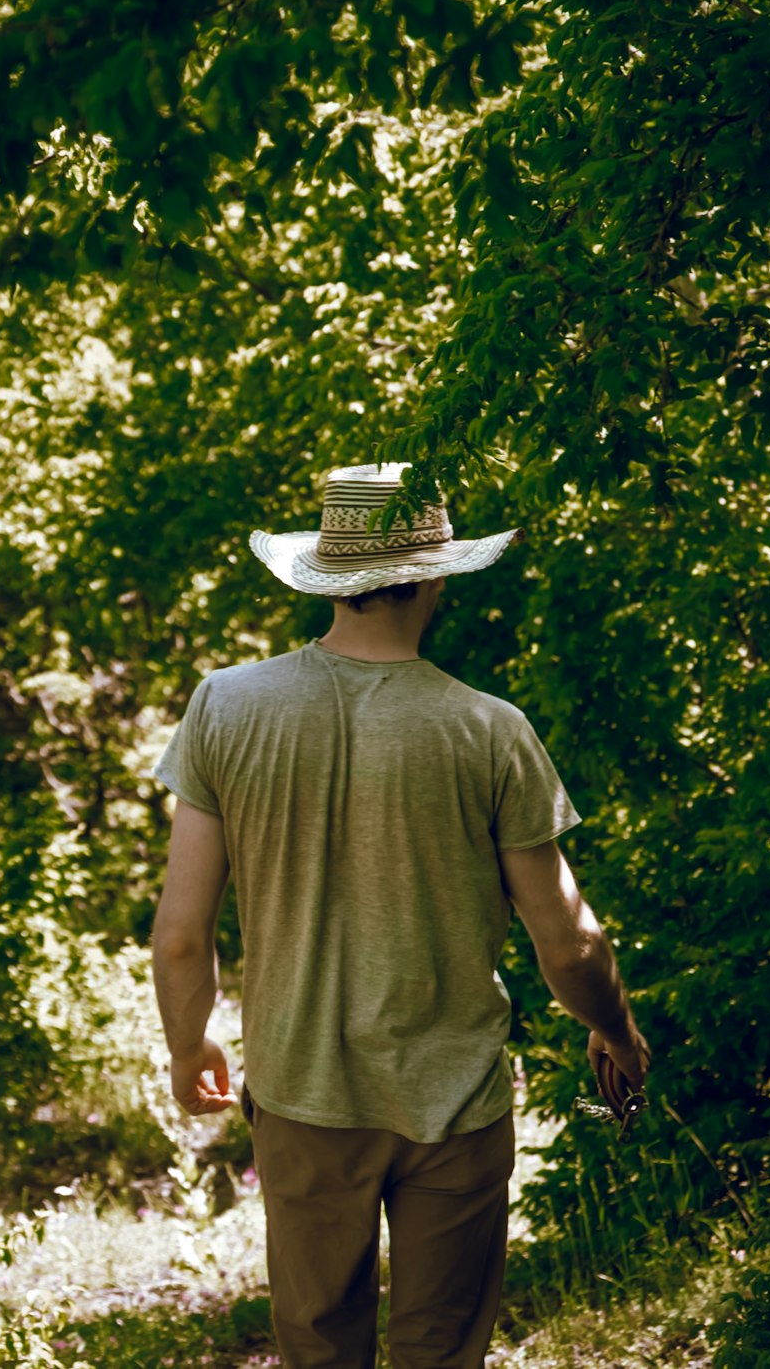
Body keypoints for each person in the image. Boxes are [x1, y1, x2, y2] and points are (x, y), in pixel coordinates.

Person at [150, 462, 650, 1369]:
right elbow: (569, 939)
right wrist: (614, 1028)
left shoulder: (226, 705)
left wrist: (193, 1047)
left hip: (303, 1092)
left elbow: (183, 933)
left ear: (329, 576)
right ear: (433, 576)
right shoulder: (489, 730)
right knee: (441, 1352)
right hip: (454, 1100)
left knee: (320, 1350)